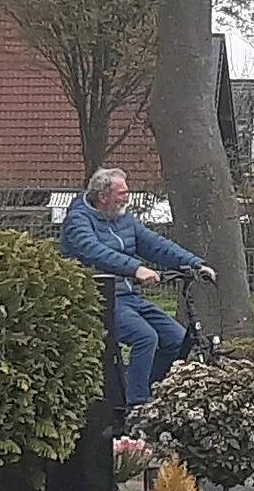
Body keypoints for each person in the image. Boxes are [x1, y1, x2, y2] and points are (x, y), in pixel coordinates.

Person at [60, 167, 217, 405]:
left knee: (176, 338)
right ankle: (135, 406)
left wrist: (194, 263)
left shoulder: (123, 219)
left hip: (129, 296)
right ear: (103, 197)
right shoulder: (78, 221)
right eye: (121, 193)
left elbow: (154, 244)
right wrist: (136, 269)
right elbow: (94, 252)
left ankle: (153, 392)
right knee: (145, 337)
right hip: (98, 298)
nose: (127, 197)